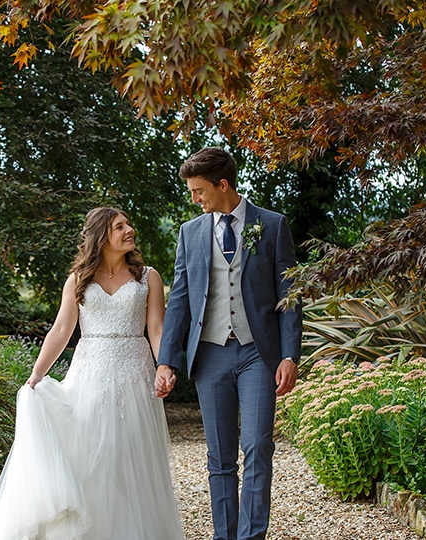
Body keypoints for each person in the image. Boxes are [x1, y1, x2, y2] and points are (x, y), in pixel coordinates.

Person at [0, 207, 185, 540]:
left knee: (131, 459)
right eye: (119, 226)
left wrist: (164, 366)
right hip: (89, 375)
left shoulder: (148, 277)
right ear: (101, 236)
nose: (130, 230)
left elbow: (157, 328)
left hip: (136, 376)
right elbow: (61, 330)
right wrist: (36, 375)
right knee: (89, 457)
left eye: (128, 224)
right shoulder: (79, 279)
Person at [156, 147, 303, 540]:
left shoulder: (272, 225)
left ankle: (251, 536)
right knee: (219, 457)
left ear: (223, 185)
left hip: (258, 353)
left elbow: (290, 296)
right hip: (210, 354)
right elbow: (181, 299)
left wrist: (290, 355)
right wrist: (166, 360)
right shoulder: (190, 233)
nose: (194, 199)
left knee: (257, 447)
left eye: (199, 190)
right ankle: (225, 536)